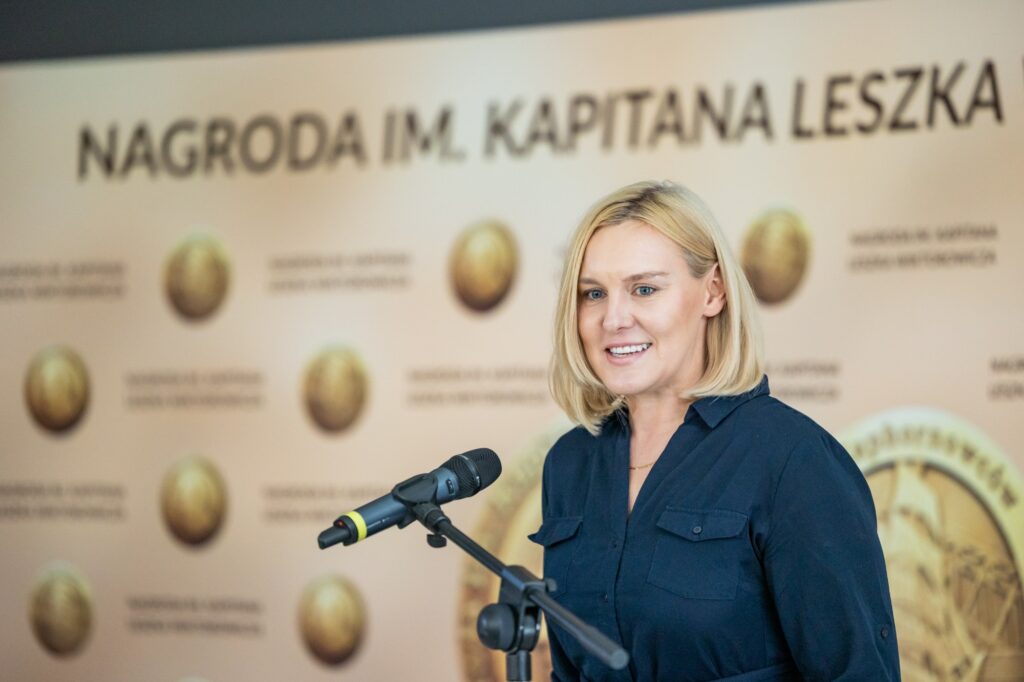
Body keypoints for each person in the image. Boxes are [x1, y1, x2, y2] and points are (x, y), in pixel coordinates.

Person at [530, 180, 900, 681]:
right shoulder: (570, 463)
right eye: (593, 294)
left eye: (644, 289)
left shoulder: (793, 460)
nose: (612, 319)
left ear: (714, 291)